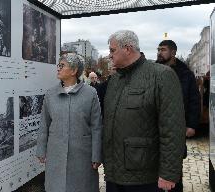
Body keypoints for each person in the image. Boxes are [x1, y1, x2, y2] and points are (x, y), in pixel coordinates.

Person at [102, 30, 186, 192]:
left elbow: (173, 128)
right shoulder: (115, 80)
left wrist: (169, 173)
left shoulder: (161, 75)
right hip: (114, 174)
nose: (109, 55)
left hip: (145, 177)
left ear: (127, 48)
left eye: (112, 50)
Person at [36, 53, 102, 192]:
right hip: (56, 153)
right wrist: (41, 149)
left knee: (82, 186)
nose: (58, 68)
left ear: (74, 70)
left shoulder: (90, 93)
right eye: (58, 65)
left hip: (82, 154)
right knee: (57, 186)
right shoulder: (50, 94)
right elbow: (44, 124)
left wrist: (96, 154)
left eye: (62, 65)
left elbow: (96, 126)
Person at [157, 40, 200, 138]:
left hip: (177, 123)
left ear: (173, 52)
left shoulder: (186, 74)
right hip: (155, 123)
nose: (159, 53)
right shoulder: (152, 72)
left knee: (177, 152)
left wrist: (191, 125)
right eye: (158, 50)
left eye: (163, 50)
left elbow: (194, 100)